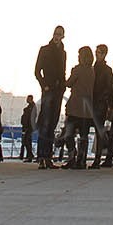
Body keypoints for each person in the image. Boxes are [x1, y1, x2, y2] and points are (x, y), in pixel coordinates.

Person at [34, 26, 67, 169]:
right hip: (48, 90)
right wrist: (44, 85)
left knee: (53, 123)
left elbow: (63, 71)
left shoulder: (63, 53)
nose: (57, 36)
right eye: (55, 34)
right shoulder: (45, 50)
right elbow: (37, 71)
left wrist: (63, 87)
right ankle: (42, 156)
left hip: (58, 91)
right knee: (45, 123)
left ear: (63, 36)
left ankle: (48, 157)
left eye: (59, 34)